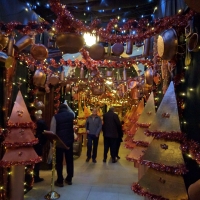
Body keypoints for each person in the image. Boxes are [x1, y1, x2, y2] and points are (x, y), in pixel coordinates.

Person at [50, 103, 75, 187]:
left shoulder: (56, 117)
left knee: (59, 161)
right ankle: (69, 178)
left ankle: (60, 180)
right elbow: (73, 114)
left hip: (59, 142)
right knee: (69, 160)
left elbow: (52, 130)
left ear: (59, 109)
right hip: (69, 141)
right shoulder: (71, 115)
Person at [33, 110, 48, 183]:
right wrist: (43, 142)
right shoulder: (42, 122)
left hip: (35, 143)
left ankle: (34, 176)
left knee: (34, 160)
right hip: (39, 143)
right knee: (37, 160)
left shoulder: (35, 123)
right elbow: (45, 133)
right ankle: (36, 176)